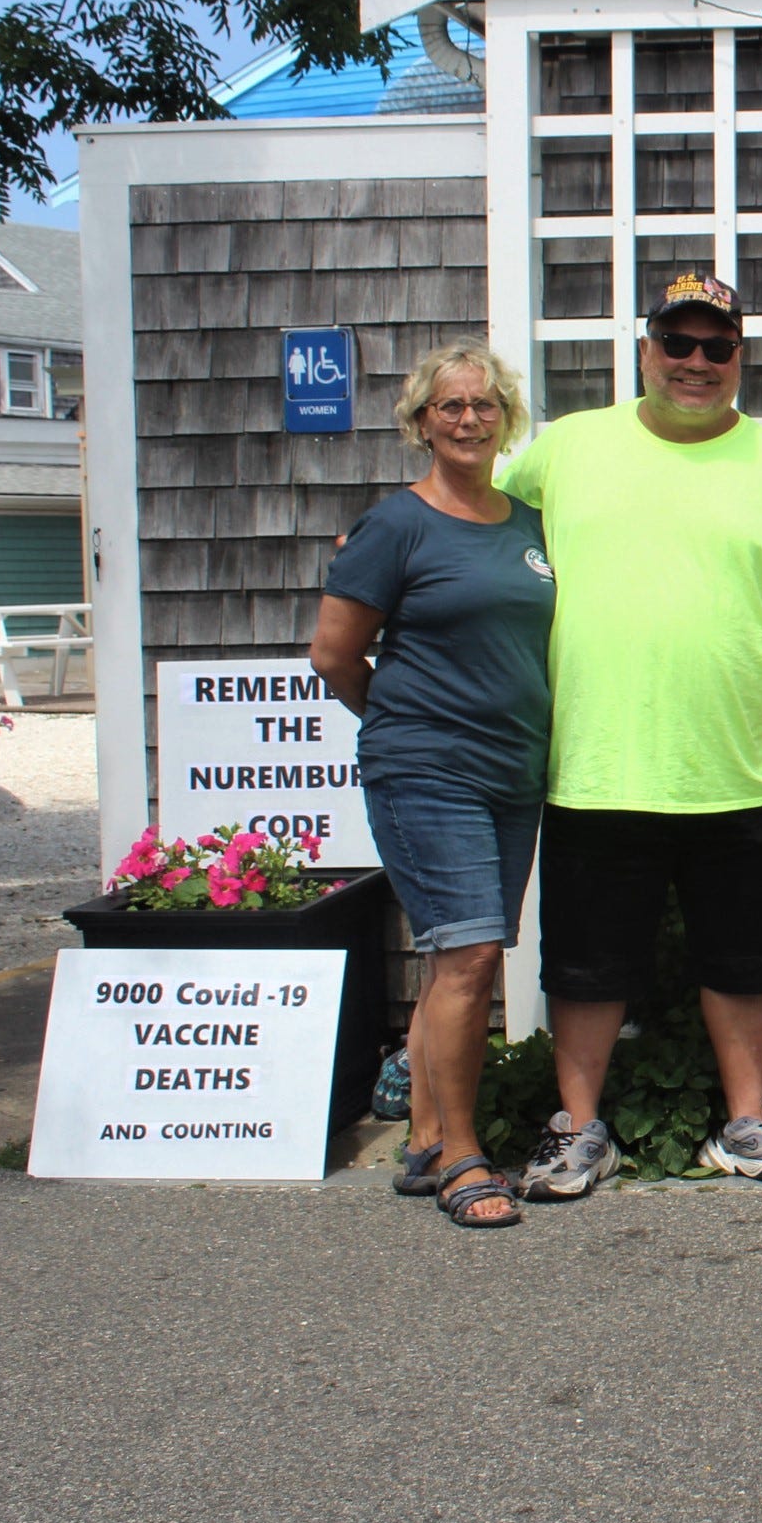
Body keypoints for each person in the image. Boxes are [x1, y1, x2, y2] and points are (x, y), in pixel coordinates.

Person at [497, 273, 762, 1199]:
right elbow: (476, 528)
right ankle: (576, 1130)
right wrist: (388, 549)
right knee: (586, 965)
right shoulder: (565, 451)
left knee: (746, 958)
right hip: (596, 762)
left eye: (717, 347)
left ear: (740, 359)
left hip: (739, 766)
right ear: (645, 351)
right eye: (678, 343)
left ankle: (746, 1123)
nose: (695, 363)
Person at [311, 340, 551, 1229]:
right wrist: (404, 723)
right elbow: (336, 654)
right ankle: (460, 1155)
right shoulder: (396, 526)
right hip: (426, 767)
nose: (469, 420)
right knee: (471, 956)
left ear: (506, 420)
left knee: (465, 954)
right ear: (421, 422)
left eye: (485, 405)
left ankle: (420, 1137)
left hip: (513, 772)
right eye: (449, 406)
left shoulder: (527, 525)